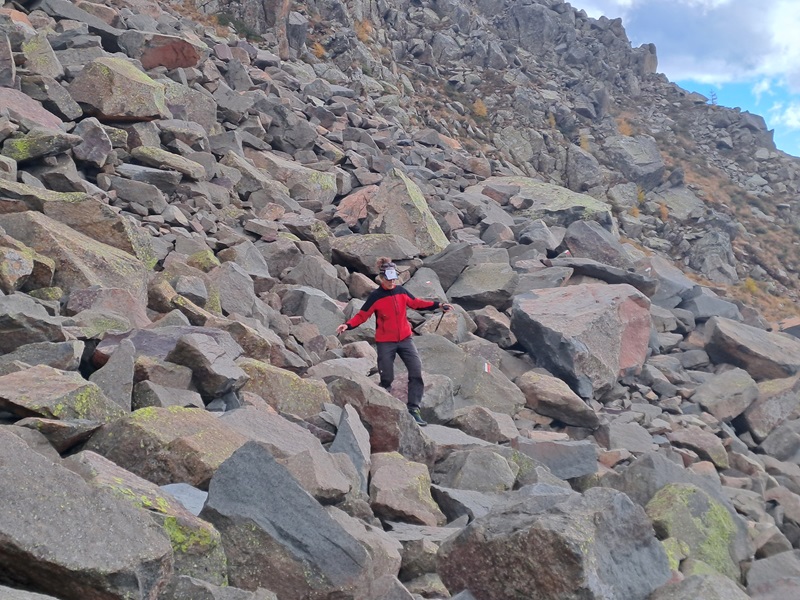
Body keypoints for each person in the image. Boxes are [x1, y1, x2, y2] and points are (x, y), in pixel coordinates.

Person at [336, 257, 452, 426]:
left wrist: (438, 305)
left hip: (405, 339)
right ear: (381, 279)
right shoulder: (375, 297)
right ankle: (385, 409)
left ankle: (414, 409)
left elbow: (416, 303)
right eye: (388, 279)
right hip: (385, 342)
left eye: (393, 279)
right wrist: (348, 325)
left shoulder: (401, 291)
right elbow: (363, 315)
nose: (391, 282)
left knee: (416, 371)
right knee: (386, 377)